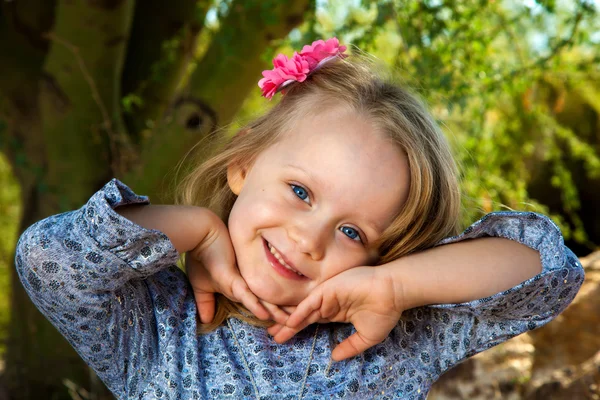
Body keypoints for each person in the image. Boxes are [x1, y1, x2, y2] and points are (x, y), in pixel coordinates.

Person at [15, 38, 584, 399]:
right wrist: (196, 227)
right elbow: (48, 258)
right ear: (241, 166)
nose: (309, 239)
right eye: (299, 191)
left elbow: (548, 271)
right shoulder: (159, 325)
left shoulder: (394, 337)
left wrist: (393, 286)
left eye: (353, 232)